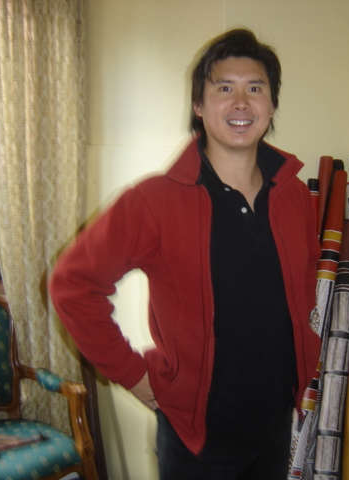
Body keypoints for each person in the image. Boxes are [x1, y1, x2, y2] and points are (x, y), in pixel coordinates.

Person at [49, 28, 321, 479]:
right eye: (224, 89)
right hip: (197, 443)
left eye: (255, 89)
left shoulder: (293, 195)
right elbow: (71, 285)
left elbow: (307, 280)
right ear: (198, 105)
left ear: (272, 105)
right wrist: (132, 374)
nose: (241, 103)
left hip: (276, 427)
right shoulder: (154, 201)